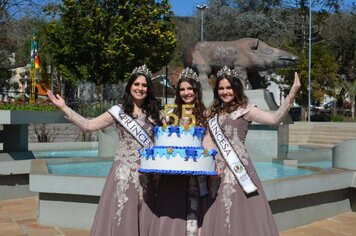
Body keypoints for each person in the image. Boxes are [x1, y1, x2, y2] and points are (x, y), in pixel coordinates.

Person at [47, 65, 162, 236]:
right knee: (124, 214)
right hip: (125, 173)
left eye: (144, 85)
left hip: (149, 174)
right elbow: (88, 125)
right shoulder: (118, 111)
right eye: (136, 84)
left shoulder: (155, 114)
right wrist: (64, 107)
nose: (140, 89)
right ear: (130, 86)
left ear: (149, 89)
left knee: (145, 215)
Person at [201, 66, 301, 236]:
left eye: (229, 87)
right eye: (221, 88)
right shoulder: (212, 113)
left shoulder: (246, 109)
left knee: (242, 213)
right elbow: (208, 141)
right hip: (216, 171)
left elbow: (274, 119)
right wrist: (208, 161)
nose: (225, 92)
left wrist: (292, 93)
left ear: (236, 88)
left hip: (238, 170)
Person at [149, 67, 208, 236]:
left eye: (190, 88)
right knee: (172, 212)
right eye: (182, 89)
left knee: (194, 213)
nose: (186, 92)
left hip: (197, 174)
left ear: (196, 90)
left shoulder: (206, 114)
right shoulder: (170, 115)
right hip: (174, 173)